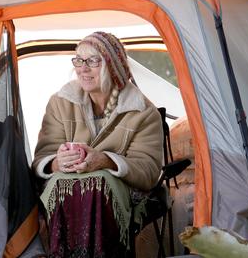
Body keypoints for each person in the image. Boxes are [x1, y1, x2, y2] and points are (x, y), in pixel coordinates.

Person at [32, 31, 163, 257]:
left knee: (99, 183)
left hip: (118, 193)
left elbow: (148, 170)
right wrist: (56, 163)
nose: (83, 68)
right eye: (79, 60)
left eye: (93, 61)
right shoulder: (60, 102)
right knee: (64, 183)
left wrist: (105, 161)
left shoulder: (143, 111)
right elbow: (41, 158)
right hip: (69, 190)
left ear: (113, 68)